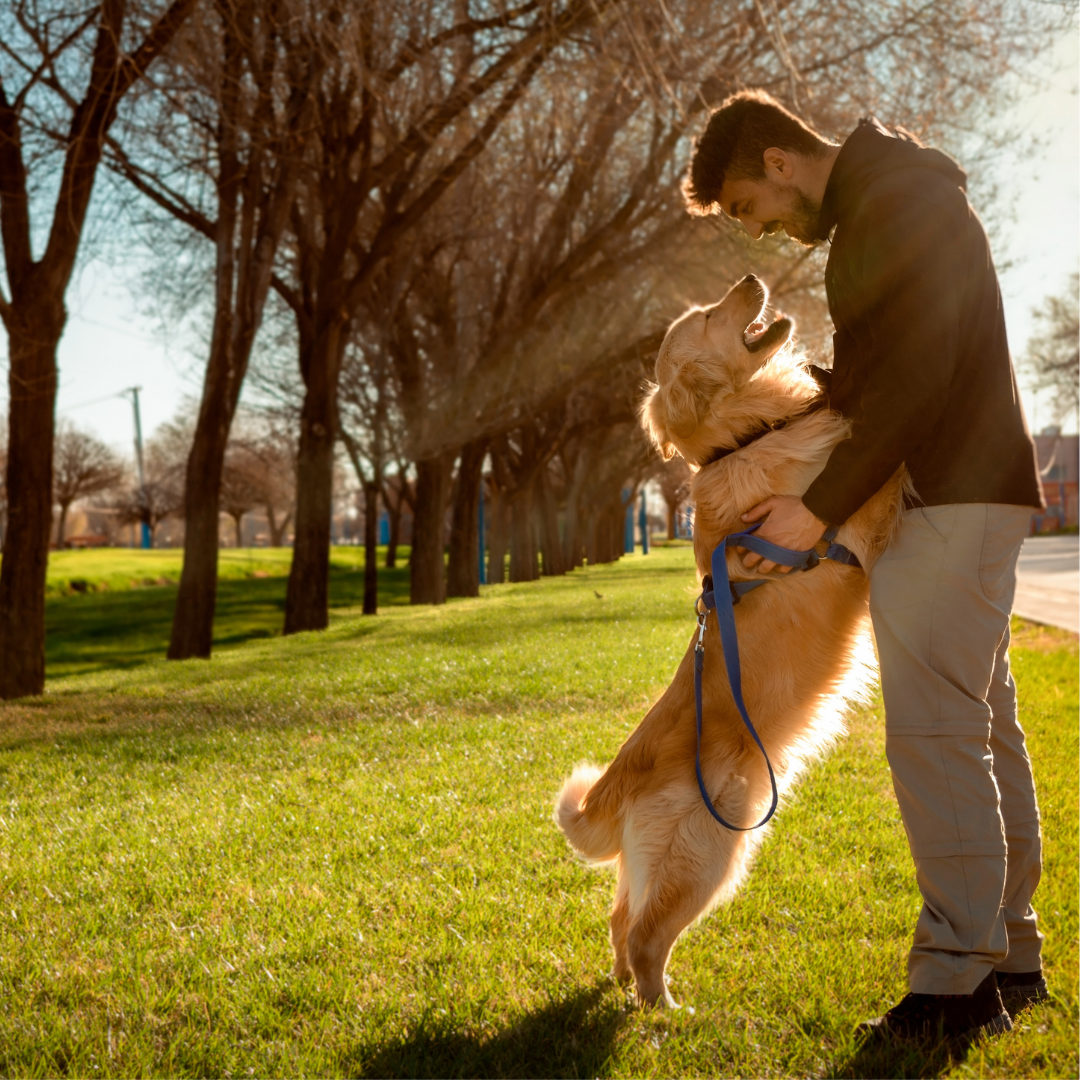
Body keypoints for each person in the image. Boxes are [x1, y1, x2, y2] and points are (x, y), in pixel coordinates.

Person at [684, 90, 1047, 1045]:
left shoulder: (896, 204)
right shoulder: (889, 203)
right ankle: (1010, 953)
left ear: (777, 162)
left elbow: (918, 375)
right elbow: (878, 377)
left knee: (934, 735)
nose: (762, 233)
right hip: (960, 487)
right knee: (978, 722)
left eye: (748, 211)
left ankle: (955, 981)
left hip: (949, 489)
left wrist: (818, 504)